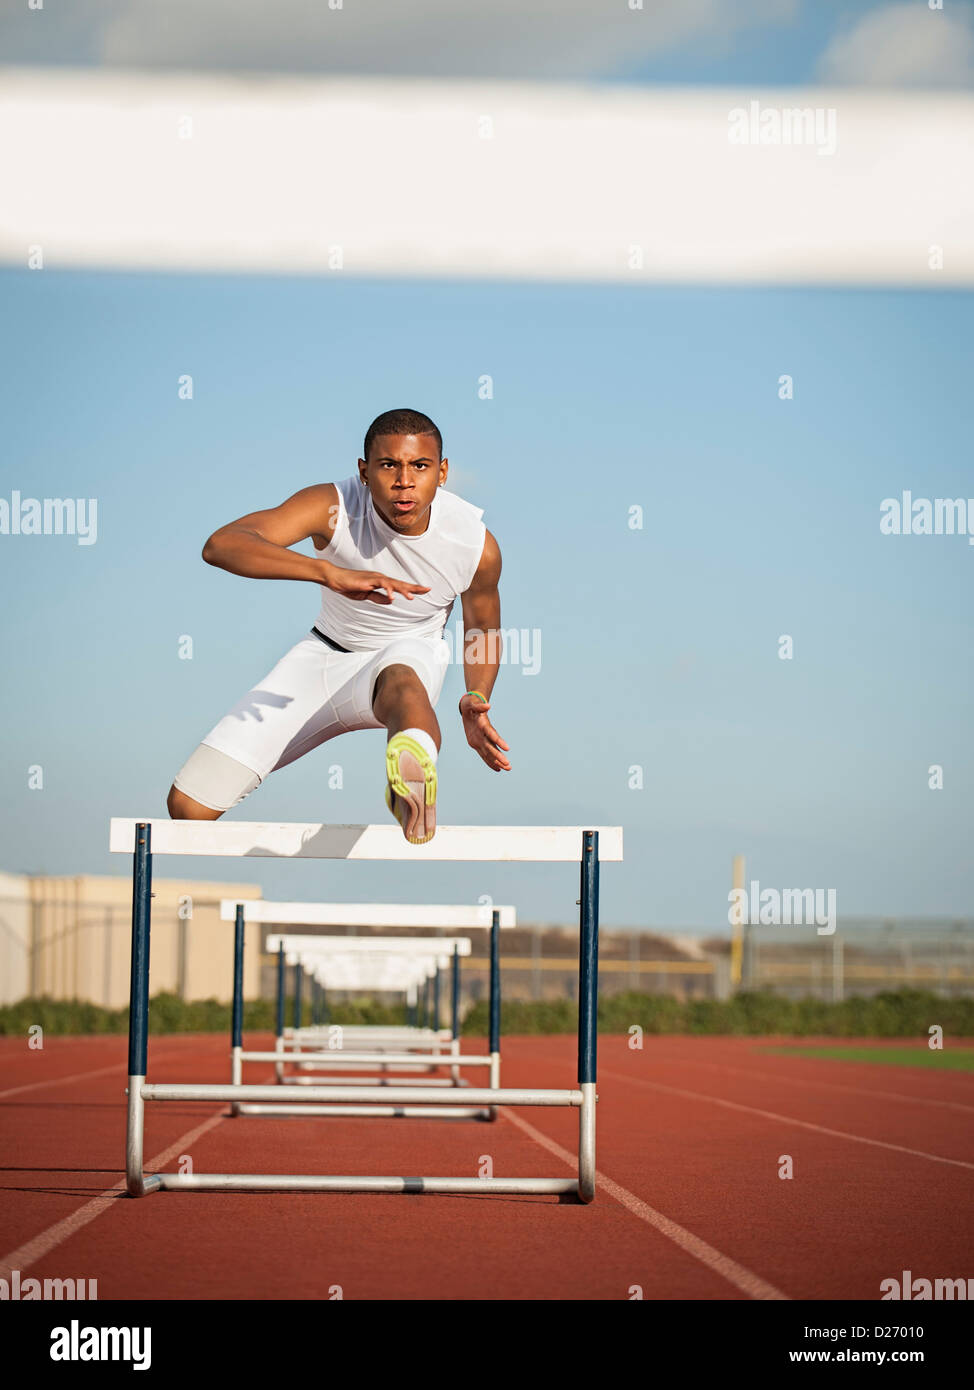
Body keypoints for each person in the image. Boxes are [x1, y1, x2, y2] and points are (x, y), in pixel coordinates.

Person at [166, 407, 510, 844]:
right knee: (187, 809)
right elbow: (222, 545)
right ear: (364, 472)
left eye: (419, 466)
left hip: (409, 652)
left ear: (441, 472)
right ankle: (407, 774)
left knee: (403, 679)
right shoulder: (332, 507)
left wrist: (476, 696)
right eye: (389, 465)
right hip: (322, 658)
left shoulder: (474, 545)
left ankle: (410, 781)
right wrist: (327, 572)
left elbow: (482, 628)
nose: (404, 481)